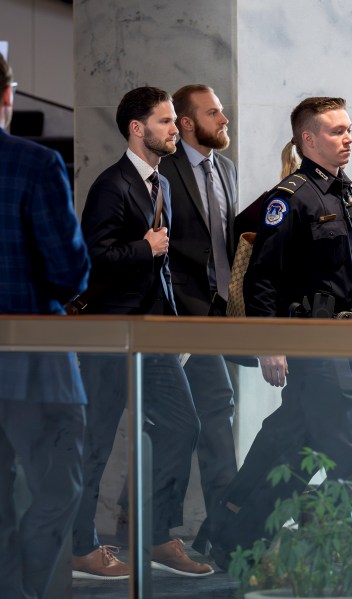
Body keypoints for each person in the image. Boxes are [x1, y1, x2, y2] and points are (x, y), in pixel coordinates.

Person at [206, 96, 352, 568]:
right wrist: (270, 345)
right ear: (308, 139)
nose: (348, 137)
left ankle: (232, 539)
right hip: (312, 347)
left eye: (350, 128)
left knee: (294, 452)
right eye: (337, 131)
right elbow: (263, 280)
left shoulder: (347, 193)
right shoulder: (290, 198)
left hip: (347, 344)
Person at [73, 86, 213, 578]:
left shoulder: (163, 185)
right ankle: (82, 546)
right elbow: (94, 260)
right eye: (165, 121)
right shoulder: (112, 186)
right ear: (138, 129)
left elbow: (163, 269)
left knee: (182, 426)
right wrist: (145, 247)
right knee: (95, 442)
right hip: (110, 333)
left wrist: (175, 330)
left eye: (174, 120)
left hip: (153, 334)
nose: (176, 128)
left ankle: (154, 535)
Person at [0, 53, 91, 599]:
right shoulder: (32, 164)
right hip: (34, 358)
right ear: (8, 96)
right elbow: (69, 272)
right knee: (59, 488)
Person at [158, 84, 238, 554]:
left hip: (224, 316)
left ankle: (215, 530)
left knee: (207, 419)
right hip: (181, 316)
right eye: (213, 113)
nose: (223, 119)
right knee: (205, 416)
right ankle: (212, 533)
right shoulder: (162, 170)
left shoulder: (225, 168)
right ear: (187, 122)